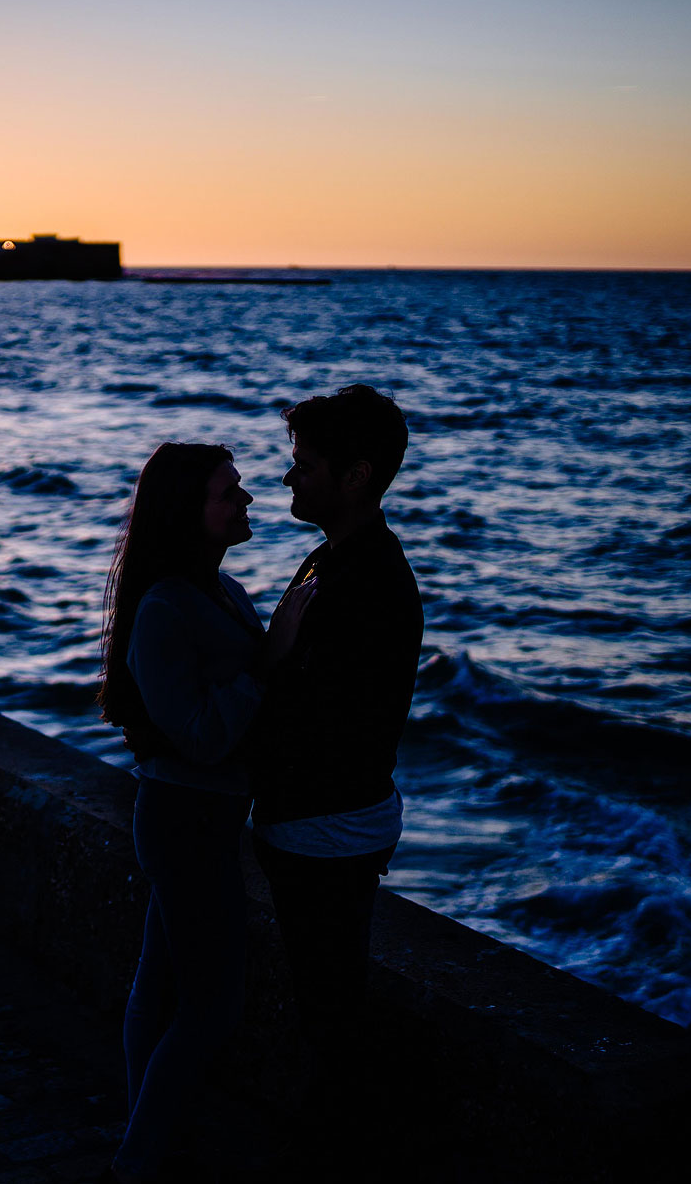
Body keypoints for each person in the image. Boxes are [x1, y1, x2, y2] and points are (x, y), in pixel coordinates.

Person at [98, 442, 313, 1183]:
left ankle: (149, 1137)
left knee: (160, 986)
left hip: (211, 823)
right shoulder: (162, 608)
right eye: (230, 492)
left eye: (242, 488)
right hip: (183, 819)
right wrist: (269, 659)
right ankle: (139, 1158)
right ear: (188, 512)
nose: (247, 500)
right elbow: (199, 736)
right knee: (213, 1008)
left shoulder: (224, 592)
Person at [247, 383, 422, 1143]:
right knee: (327, 1000)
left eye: (306, 465)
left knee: (329, 1013)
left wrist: (271, 663)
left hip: (329, 824)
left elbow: (316, 720)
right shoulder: (335, 560)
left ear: (357, 475)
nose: (289, 477)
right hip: (330, 816)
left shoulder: (366, 582)